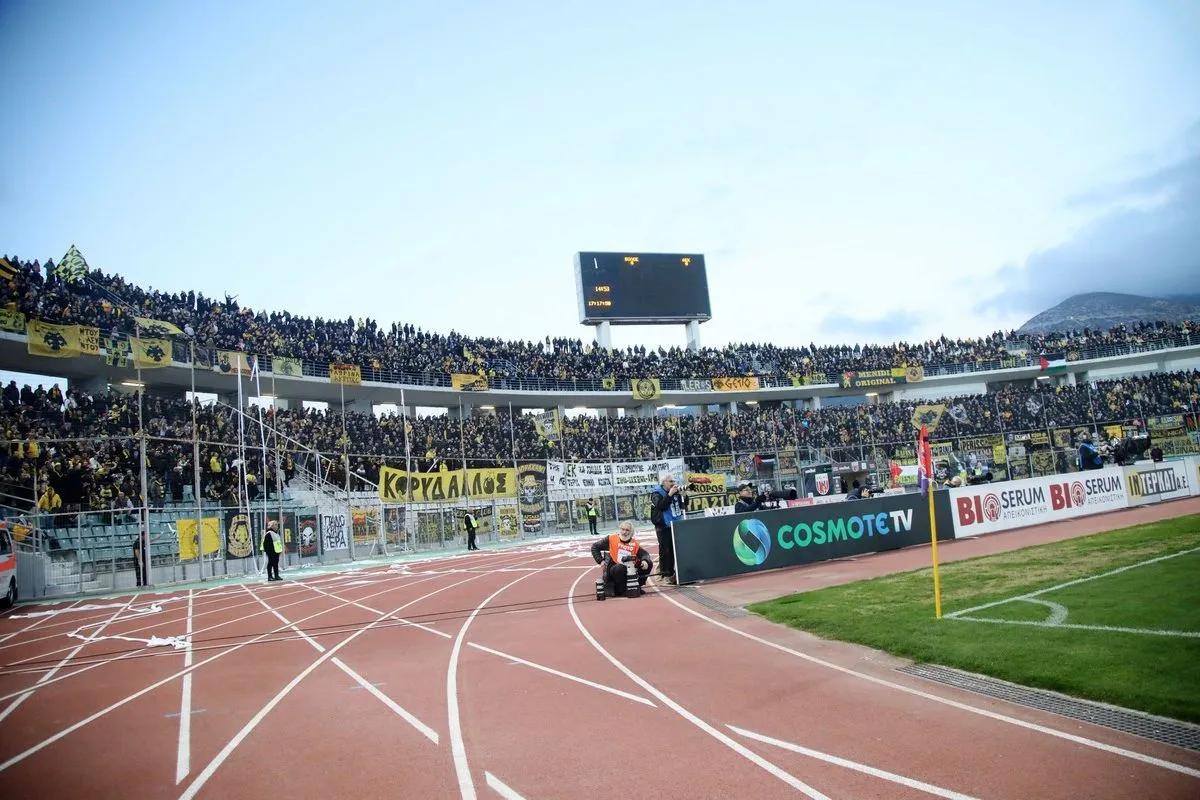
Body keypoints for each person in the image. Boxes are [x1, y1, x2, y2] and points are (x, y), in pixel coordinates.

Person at [590, 520, 652, 596]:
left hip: (630, 567)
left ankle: (636, 586)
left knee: (649, 563)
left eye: (627, 530)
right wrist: (601, 561)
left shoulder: (634, 543)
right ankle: (622, 590)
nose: (624, 532)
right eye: (622, 529)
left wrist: (645, 560)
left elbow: (645, 554)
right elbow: (594, 547)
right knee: (620, 567)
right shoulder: (611, 538)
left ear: (631, 532)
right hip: (614, 567)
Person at [649, 472, 685, 585]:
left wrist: (684, 496)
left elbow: (683, 505)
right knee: (665, 550)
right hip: (663, 525)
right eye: (670, 481)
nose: (673, 483)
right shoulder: (656, 493)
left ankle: (671, 573)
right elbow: (661, 506)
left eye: (673, 481)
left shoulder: (675, 492)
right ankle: (664, 574)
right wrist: (669, 495)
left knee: (674, 550)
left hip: (675, 524)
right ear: (663, 482)